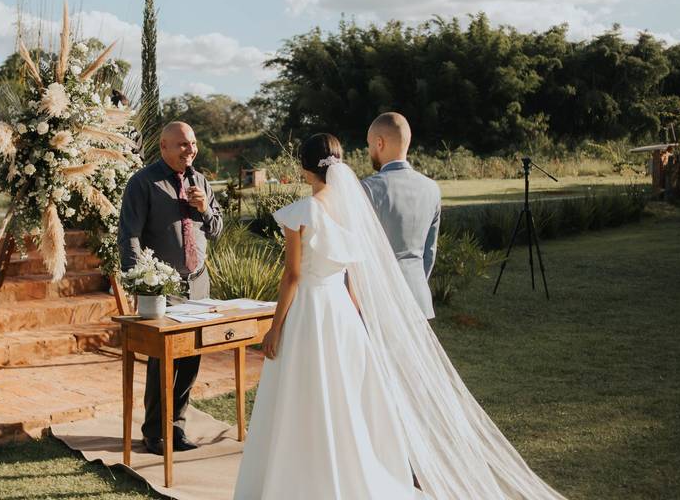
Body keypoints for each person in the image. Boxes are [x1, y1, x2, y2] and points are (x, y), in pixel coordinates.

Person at [234, 133, 568, 500]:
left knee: (302, 394)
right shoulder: (351, 211)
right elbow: (352, 278)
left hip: (310, 312)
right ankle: (346, 475)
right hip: (342, 314)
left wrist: (274, 327)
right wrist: (356, 317)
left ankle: (300, 480)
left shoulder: (301, 212)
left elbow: (293, 276)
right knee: (343, 397)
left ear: (303, 168)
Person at [117, 121, 224, 456]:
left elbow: (218, 229)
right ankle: (154, 433)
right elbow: (129, 236)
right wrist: (141, 282)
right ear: (163, 146)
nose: (188, 150)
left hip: (198, 285)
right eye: (181, 145)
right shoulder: (143, 183)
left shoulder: (201, 182)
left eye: (192, 144)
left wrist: (204, 210)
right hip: (162, 289)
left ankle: (176, 428)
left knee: (191, 359)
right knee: (162, 361)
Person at [362, 112, 440, 320]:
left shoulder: (369, 188)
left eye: (369, 144)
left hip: (379, 302)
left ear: (379, 143)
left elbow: (359, 251)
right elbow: (429, 252)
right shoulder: (432, 188)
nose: (369, 150)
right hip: (418, 300)